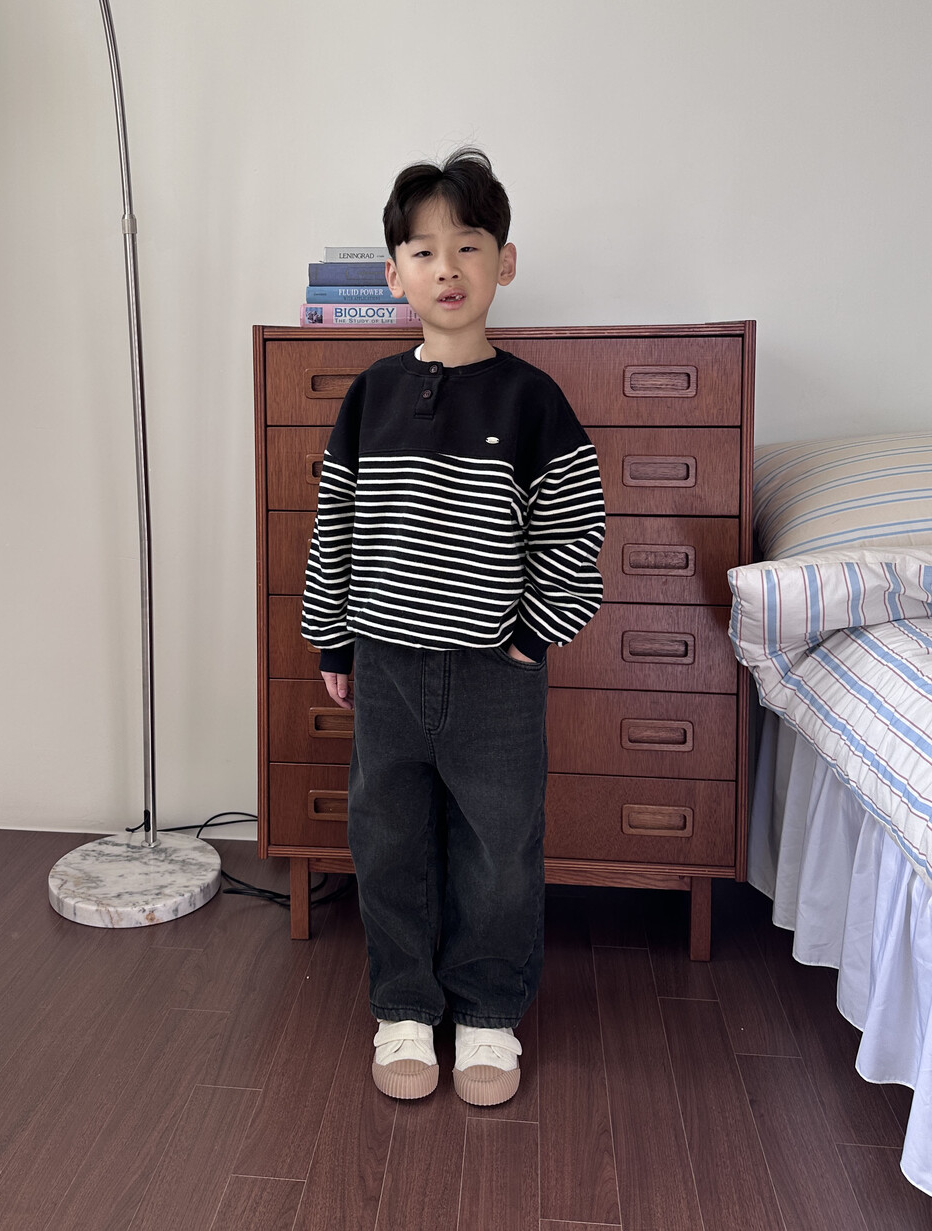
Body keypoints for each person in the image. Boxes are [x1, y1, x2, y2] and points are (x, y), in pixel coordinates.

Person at [301, 148, 605, 1106]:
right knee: (387, 841)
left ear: (503, 263)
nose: (448, 268)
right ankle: (402, 1007)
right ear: (395, 275)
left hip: (495, 677)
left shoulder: (533, 401)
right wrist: (333, 637)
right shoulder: (370, 397)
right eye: (425, 251)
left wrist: (532, 635)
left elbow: (575, 528)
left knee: (499, 847)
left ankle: (485, 1015)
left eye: (468, 246)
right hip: (387, 666)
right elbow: (336, 522)